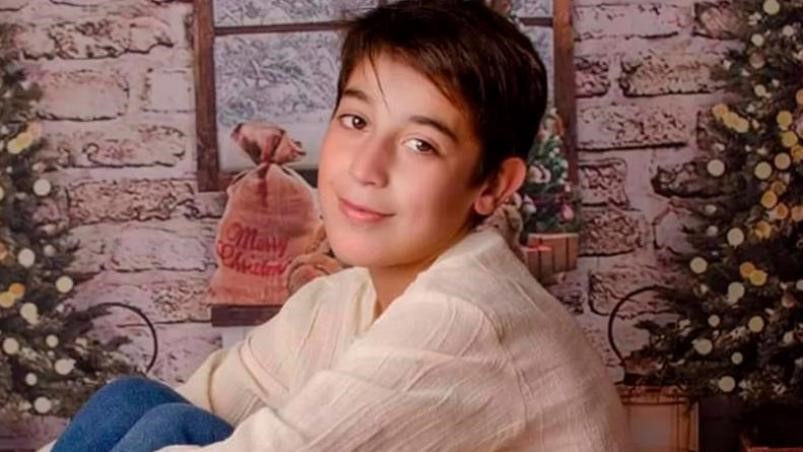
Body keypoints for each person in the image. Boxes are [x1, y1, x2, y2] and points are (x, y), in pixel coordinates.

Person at [44, 0, 632, 450]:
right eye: (355, 121)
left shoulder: (468, 318)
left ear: (493, 186)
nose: (366, 168)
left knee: (164, 429)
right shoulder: (337, 302)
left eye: (421, 144)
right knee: (137, 403)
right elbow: (197, 401)